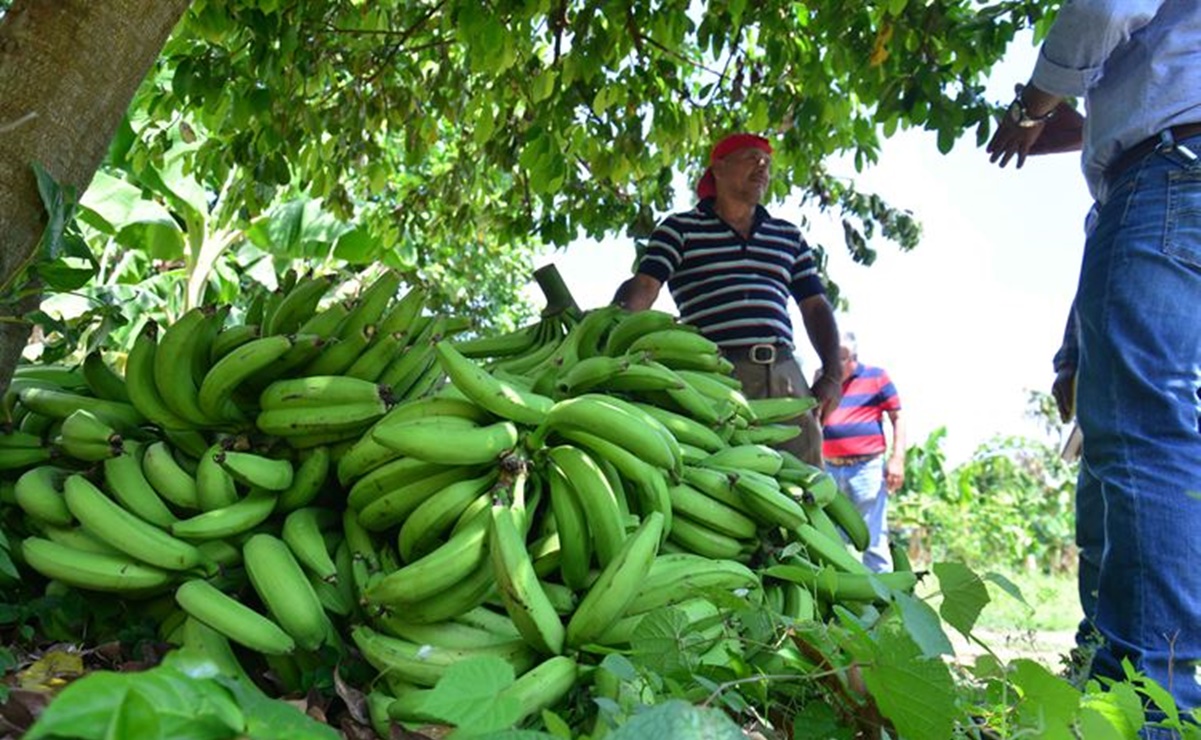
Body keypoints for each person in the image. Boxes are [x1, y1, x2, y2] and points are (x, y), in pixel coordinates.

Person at [987, 2, 1201, 723]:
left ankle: (1149, 706)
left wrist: (1031, 104)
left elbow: (1106, 6)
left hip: (1174, 169)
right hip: (1169, 172)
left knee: (1144, 437)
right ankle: (1107, 667)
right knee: (1143, 439)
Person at [612, 133, 842, 467]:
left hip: (784, 375)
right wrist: (610, 329)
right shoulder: (680, 229)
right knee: (721, 480)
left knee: (805, 485)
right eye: (751, 157)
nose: (762, 166)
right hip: (714, 376)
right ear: (718, 168)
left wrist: (833, 375)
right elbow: (645, 286)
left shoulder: (788, 236)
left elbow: (815, 306)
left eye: (766, 161)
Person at [820, 332, 904, 573]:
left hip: (866, 467)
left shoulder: (876, 377)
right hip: (828, 466)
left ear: (853, 357)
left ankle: (883, 601)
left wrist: (897, 459)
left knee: (873, 537)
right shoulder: (822, 377)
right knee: (829, 537)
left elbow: (898, 417)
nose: (835, 362)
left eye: (841, 357)